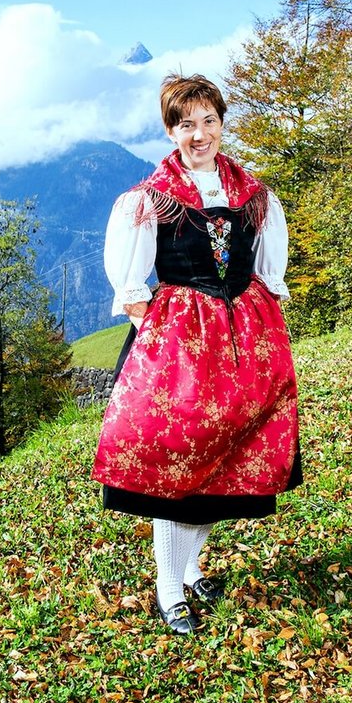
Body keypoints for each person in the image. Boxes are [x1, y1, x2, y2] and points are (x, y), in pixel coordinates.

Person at [93, 73, 301, 635]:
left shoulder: (254, 197)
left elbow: (264, 274)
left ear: (222, 124)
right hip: (178, 352)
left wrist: (249, 331)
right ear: (170, 130)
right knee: (177, 465)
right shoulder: (149, 199)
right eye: (186, 124)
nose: (199, 133)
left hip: (243, 345)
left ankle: (188, 571)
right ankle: (168, 588)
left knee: (228, 458)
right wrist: (173, 341)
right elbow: (133, 289)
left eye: (209, 120)